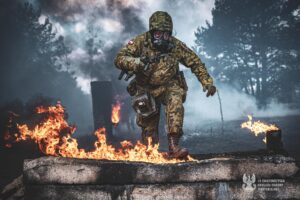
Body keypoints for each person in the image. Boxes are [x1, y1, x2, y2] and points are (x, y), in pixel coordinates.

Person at [114, 11, 216, 159]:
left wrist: (207, 82)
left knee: (176, 102)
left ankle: (174, 147)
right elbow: (119, 59)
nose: (162, 38)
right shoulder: (140, 42)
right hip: (145, 88)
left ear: (170, 33)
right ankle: (150, 153)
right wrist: (137, 63)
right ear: (152, 32)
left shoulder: (175, 45)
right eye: (158, 34)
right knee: (148, 127)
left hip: (169, 85)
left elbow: (195, 62)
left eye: (166, 34)